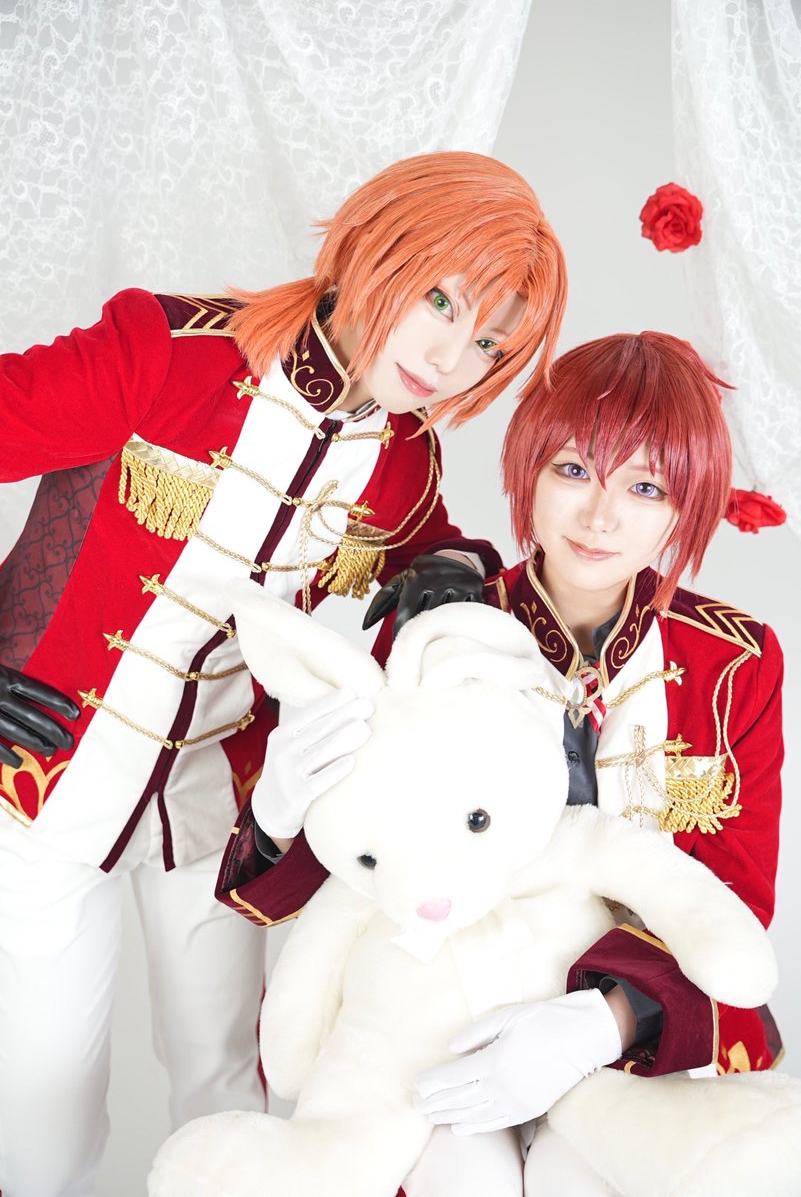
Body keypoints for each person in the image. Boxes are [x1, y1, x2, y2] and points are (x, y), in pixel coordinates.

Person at [0, 151, 567, 1197]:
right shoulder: (163, 352)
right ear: (372, 248)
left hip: (220, 814)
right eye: (441, 301)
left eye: (489, 342)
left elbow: (424, 546)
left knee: (229, 1094)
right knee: (45, 1118)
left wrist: (450, 567)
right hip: (42, 790)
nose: (449, 357)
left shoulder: (402, 456)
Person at [234, 330, 783, 1196]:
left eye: (645, 487)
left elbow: (734, 891)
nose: (600, 517)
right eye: (572, 470)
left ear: (688, 504)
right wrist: (275, 814)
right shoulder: (441, 621)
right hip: (440, 1019)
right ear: (526, 470)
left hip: (643, 1033)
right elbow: (357, 861)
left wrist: (601, 1022)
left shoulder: (733, 662)